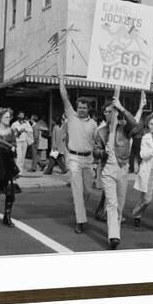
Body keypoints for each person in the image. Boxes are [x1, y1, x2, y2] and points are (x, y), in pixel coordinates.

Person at [93, 96, 140, 249]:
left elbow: (136, 126)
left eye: (111, 111)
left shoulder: (124, 127)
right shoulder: (100, 132)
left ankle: (116, 229)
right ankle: (114, 236)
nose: (109, 114)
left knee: (120, 204)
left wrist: (121, 108)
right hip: (107, 170)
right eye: (106, 112)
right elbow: (95, 152)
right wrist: (103, 152)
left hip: (122, 167)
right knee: (111, 203)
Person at [58, 74, 98, 234]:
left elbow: (97, 143)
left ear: (88, 109)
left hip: (88, 159)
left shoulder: (94, 124)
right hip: (74, 158)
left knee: (88, 190)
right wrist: (61, 81)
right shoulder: (71, 116)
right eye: (79, 107)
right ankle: (80, 221)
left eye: (84, 107)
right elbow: (64, 96)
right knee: (77, 190)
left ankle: (78, 206)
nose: (81, 109)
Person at [11, 111, 33, 176]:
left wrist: (25, 129)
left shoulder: (27, 123)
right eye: (20, 115)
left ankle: (20, 171)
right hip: (18, 142)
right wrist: (17, 132)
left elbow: (31, 130)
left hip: (25, 141)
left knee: (23, 157)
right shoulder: (14, 124)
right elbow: (11, 133)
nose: (21, 116)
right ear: (18, 116)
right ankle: (17, 171)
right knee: (19, 156)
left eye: (23, 115)